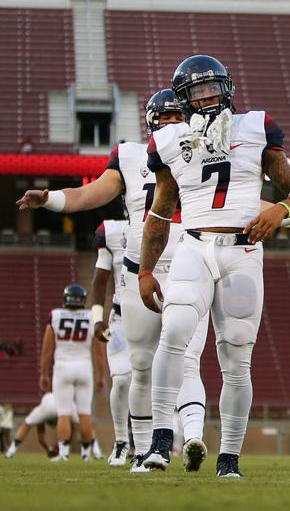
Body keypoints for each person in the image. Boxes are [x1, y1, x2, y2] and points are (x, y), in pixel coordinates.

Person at [16, 91, 230, 472]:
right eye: (162, 118)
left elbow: (231, 202)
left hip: (186, 264)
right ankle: (148, 450)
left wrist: (286, 213)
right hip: (141, 269)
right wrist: (49, 198)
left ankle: (190, 437)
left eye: (173, 117)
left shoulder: (201, 150)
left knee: (187, 362)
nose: (168, 124)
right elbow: (88, 194)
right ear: (151, 122)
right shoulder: (134, 155)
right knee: (142, 365)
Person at [138, 55, 290, 479]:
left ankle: (229, 459)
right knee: (176, 330)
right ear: (182, 99)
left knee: (236, 357)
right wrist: (145, 270)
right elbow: (161, 213)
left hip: (243, 251)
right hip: (194, 246)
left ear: (227, 87)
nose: (205, 96)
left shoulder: (255, 127)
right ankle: (161, 442)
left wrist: (282, 210)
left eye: (210, 87)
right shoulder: (170, 140)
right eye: (196, 91)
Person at [40, 283, 101, 461]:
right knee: (85, 412)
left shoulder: (55, 315)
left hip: (63, 367)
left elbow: (46, 350)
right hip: (84, 366)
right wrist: (100, 374)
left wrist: (44, 373)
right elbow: (99, 351)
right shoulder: (91, 317)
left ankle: (64, 453)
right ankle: (85, 454)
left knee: (64, 412)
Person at [91, 217, 133, 465]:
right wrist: (98, 317)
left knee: (150, 383)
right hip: (121, 318)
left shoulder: (171, 223)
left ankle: (150, 444)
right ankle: (120, 442)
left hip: (155, 316)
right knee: (121, 380)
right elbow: (100, 277)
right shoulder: (113, 231)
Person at [3, 392, 77, 458]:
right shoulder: (60, 398)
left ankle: (11, 451)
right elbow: (72, 428)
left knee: (26, 424)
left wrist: (48, 450)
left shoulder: (42, 409)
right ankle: (66, 452)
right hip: (64, 406)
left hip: (48, 407)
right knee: (74, 424)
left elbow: (41, 438)